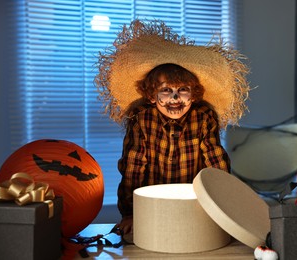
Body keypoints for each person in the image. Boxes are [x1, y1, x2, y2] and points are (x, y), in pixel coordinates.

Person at [95, 19, 250, 236]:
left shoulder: (204, 117)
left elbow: (216, 164)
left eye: (183, 89)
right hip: (152, 203)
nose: (175, 98)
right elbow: (133, 167)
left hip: (193, 203)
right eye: (166, 90)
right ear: (151, 95)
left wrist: (223, 206)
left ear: (194, 94)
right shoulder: (141, 119)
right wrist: (130, 213)